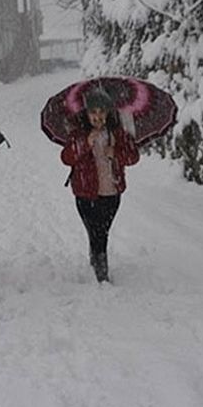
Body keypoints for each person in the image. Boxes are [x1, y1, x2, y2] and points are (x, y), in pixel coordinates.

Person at [60, 88, 140, 283]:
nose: (98, 117)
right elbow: (66, 158)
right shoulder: (78, 134)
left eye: (101, 112)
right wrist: (85, 143)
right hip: (85, 192)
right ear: (86, 114)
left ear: (108, 113)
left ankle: (95, 256)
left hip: (112, 192)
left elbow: (133, 156)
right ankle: (101, 273)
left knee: (101, 231)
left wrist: (117, 153)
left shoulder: (117, 133)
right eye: (93, 112)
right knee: (97, 231)